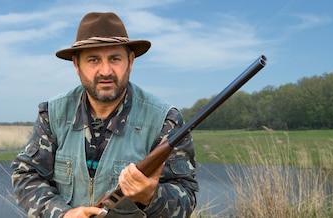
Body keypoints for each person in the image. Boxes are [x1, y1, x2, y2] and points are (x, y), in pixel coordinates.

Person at [11, 12, 197, 218]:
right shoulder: (52, 114)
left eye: (115, 59)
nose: (106, 71)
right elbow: (26, 175)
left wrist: (151, 196)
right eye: (93, 60)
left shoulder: (165, 121)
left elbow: (186, 198)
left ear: (131, 61)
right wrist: (62, 214)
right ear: (76, 65)